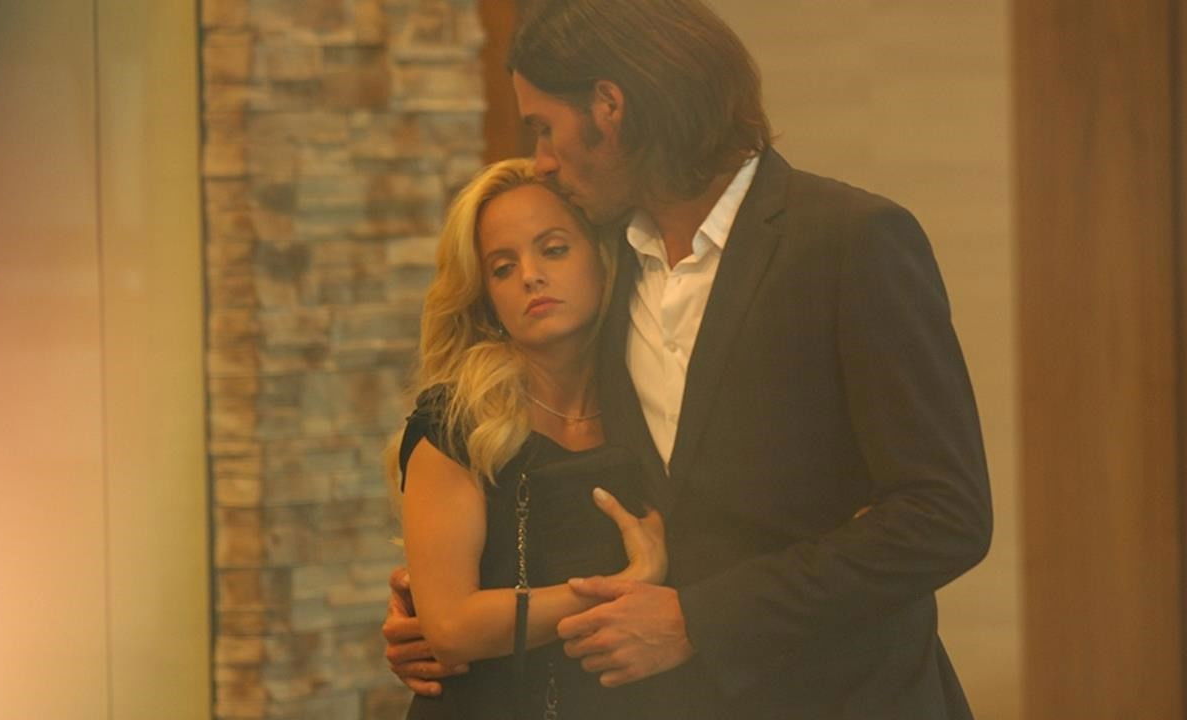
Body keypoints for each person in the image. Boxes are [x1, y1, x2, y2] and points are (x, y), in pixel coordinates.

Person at [384, 1, 994, 718]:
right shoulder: (607, 271)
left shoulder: (850, 240)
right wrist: (445, 619)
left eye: (544, 127)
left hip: (845, 697)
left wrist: (700, 621)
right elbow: (567, 480)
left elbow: (943, 516)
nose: (542, 158)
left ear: (609, 108)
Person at [388, 156, 674, 719]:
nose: (530, 276)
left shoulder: (652, 405)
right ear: (487, 300)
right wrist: (629, 583)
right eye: (502, 267)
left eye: (554, 249)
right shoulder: (458, 423)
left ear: (602, 257)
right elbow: (449, 628)